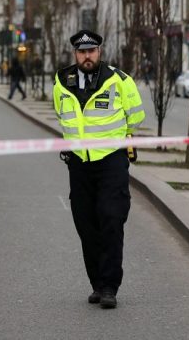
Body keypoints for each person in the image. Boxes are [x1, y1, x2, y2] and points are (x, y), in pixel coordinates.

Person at [52, 30, 145, 309]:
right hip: (79, 163)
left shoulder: (119, 80)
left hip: (111, 160)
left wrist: (125, 139)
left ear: (100, 52)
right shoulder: (62, 81)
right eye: (82, 52)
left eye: (91, 51)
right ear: (75, 54)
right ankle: (96, 283)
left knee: (111, 219)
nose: (87, 56)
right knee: (85, 224)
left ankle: (109, 286)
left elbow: (136, 116)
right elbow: (61, 114)